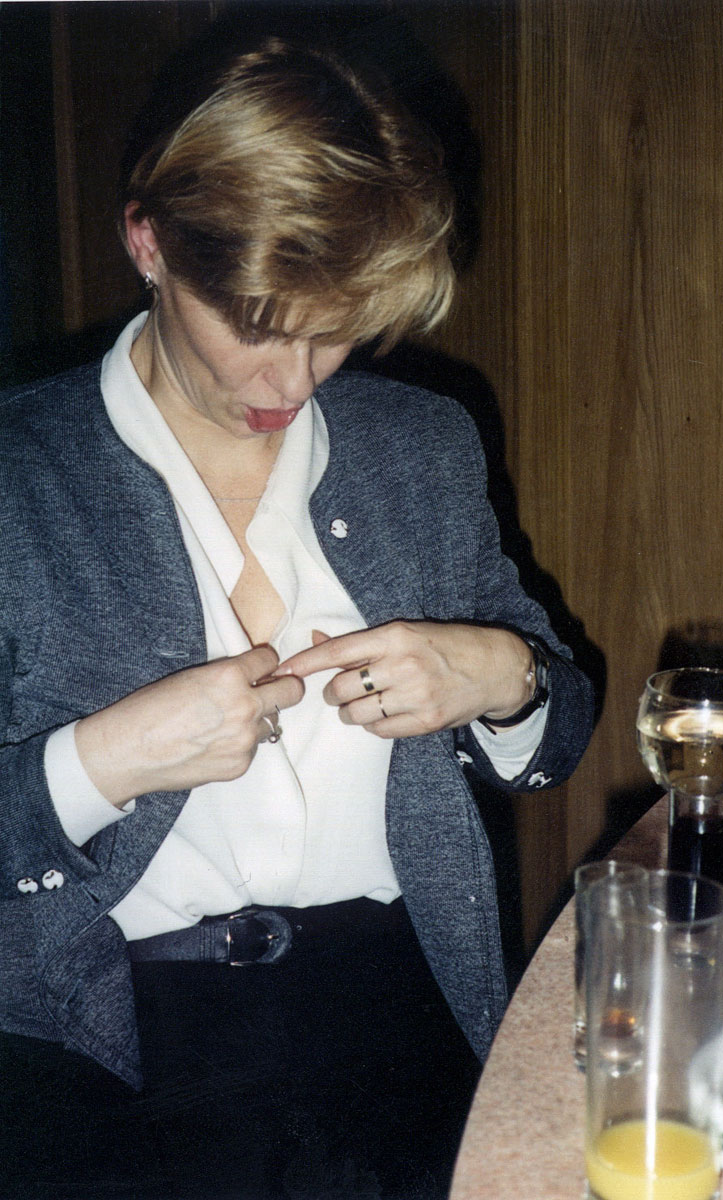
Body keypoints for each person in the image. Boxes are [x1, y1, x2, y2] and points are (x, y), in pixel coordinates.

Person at [0, 32, 594, 1200]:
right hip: (104, 1040)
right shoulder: (20, 474)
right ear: (148, 242)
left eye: (336, 328)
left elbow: (556, 728)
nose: (292, 380)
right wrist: (100, 762)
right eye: (257, 325)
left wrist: (502, 678)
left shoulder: (421, 445)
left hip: (399, 1017)